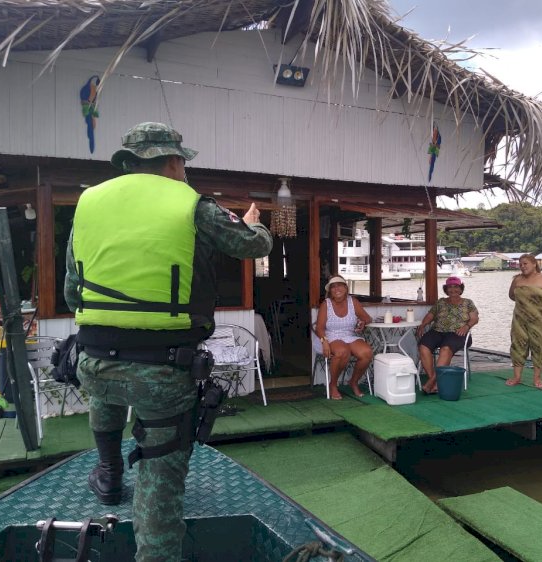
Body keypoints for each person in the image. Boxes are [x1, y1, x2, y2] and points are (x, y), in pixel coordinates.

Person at [63, 121, 272, 561]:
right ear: (174, 162)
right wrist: (255, 224)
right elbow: (253, 246)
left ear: (128, 161)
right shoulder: (192, 203)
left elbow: (70, 289)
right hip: (162, 369)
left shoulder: (88, 203)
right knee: (159, 485)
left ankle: (109, 473)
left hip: (94, 361)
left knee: (108, 387)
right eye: (183, 162)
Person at [505, 253, 542, 389]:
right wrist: (525, 304)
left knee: (538, 346)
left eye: (525, 264)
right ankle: (517, 377)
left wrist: (540, 305)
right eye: (520, 264)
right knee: (518, 346)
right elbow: (512, 295)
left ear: (534, 264)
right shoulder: (517, 280)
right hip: (519, 319)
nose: (523, 267)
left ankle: (537, 378)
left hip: (539, 319)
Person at [416, 276, 479, 394]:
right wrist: (423, 325)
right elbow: (430, 315)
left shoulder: (468, 303)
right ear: (446, 289)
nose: (453, 290)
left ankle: (431, 382)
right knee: (423, 346)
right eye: (450, 287)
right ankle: (434, 381)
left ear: (461, 289)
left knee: (445, 349)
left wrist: (466, 326)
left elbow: (475, 318)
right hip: (438, 331)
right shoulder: (441, 302)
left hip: (459, 333)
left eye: (456, 287)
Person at [315, 275, 373, 400]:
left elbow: (367, 318)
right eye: (333, 287)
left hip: (349, 335)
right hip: (331, 336)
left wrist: (363, 322)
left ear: (346, 288)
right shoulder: (326, 304)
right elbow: (319, 328)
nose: (336, 289)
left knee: (367, 353)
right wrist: (324, 342)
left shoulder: (353, 302)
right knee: (342, 351)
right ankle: (333, 385)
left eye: (339, 285)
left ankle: (353, 382)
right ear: (330, 291)